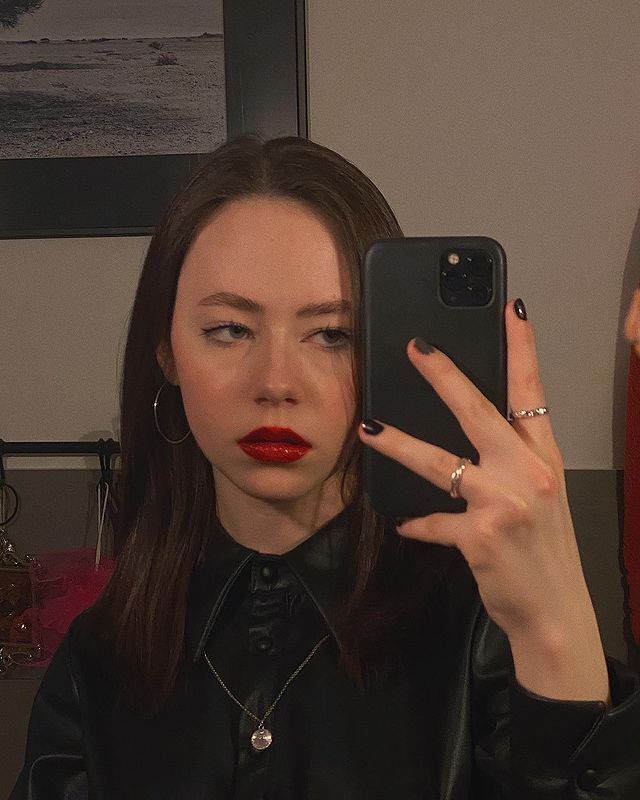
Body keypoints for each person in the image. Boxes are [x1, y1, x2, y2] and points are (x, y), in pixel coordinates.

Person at [10, 136, 640, 799]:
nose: (277, 383)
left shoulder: (481, 634)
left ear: (378, 353)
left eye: (332, 335)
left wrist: (555, 626)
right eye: (230, 330)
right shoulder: (96, 661)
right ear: (165, 350)